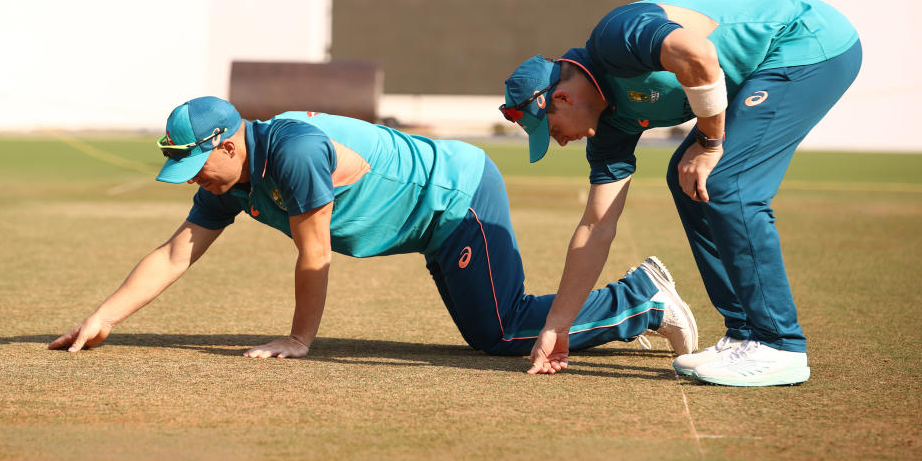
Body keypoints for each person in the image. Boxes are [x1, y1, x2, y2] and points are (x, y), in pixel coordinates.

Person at [49, 96, 698, 366]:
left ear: (227, 143)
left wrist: (301, 338)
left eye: (198, 164)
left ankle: (643, 298)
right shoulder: (234, 177)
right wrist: (103, 317)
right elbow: (176, 251)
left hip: (458, 197)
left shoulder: (294, 152)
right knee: (493, 330)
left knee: (503, 330)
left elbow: (314, 253)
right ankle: (636, 299)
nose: (197, 179)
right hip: (434, 224)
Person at [501, 0, 861, 386]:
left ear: (564, 97)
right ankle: (744, 333)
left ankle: (779, 344)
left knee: (728, 181)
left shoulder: (615, 37)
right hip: (767, 63)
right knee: (687, 176)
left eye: (552, 130)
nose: (560, 142)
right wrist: (559, 324)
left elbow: (699, 56)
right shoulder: (609, 127)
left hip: (807, 40)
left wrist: (709, 143)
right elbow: (597, 225)